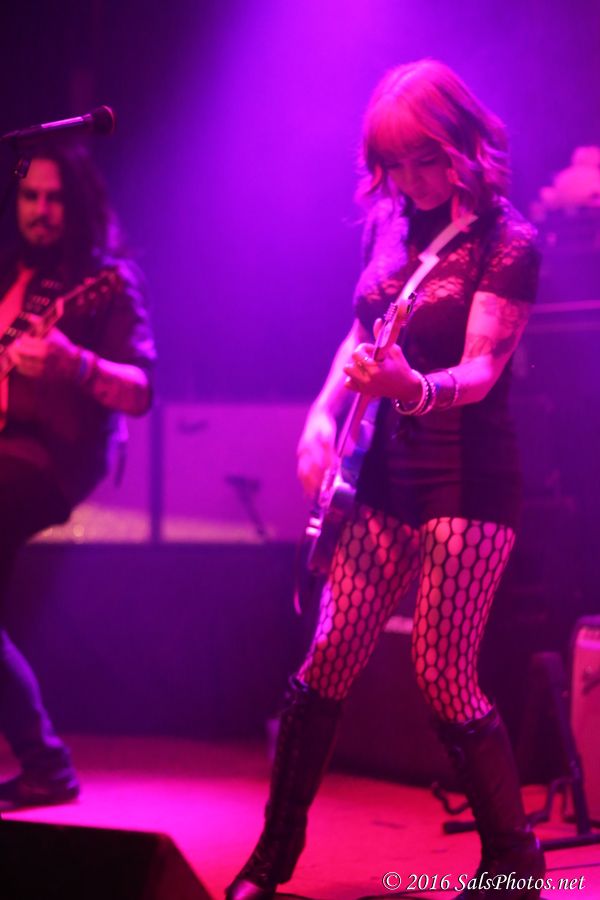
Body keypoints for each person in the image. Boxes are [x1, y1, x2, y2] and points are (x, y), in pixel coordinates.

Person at [227, 59, 545, 900]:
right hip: (385, 471)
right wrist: (321, 415)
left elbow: (481, 369)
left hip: (468, 476)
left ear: (464, 144)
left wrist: (412, 389)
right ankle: (271, 857)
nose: (410, 180)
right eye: (394, 164)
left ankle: (514, 862)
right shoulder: (389, 223)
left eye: (425, 160)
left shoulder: (508, 241)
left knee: (442, 672)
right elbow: (363, 330)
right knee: (329, 652)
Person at [0, 138, 154, 810]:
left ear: (80, 203)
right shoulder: (11, 274)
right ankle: (45, 766)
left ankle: (47, 763)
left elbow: (141, 390)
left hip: (51, 460)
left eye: (55, 197)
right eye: (30, 195)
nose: (41, 210)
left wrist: (75, 363)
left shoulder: (106, 283)